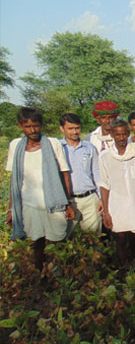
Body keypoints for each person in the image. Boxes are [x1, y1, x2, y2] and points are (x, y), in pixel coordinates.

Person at [5, 107, 75, 270]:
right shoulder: (15, 146)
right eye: (28, 126)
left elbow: (64, 173)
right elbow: (15, 179)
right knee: (36, 243)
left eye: (35, 126)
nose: (32, 130)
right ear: (20, 126)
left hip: (54, 203)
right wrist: (11, 209)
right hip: (29, 204)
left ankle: (58, 275)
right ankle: (41, 275)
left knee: (58, 242)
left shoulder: (53, 143)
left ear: (41, 125)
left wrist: (68, 202)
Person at [99, 119, 135, 265]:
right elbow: (104, 185)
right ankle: (123, 269)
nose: (121, 138)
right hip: (116, 205)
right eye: (117, 135)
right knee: (121, 240)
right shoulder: (105, 156)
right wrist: (106, 212)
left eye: (124, 134)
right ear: (112, 135)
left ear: (128, 134)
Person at [59, 113, 103, 235]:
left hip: (90, 198)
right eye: (70, 128)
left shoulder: (89, 147)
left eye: (77, 128)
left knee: (92, 237)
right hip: (68, 200)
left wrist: (101, 198)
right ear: (62, 129)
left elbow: (96, 173)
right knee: (65, 237)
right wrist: (65, 202)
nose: (74, 132)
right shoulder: (58, 148)